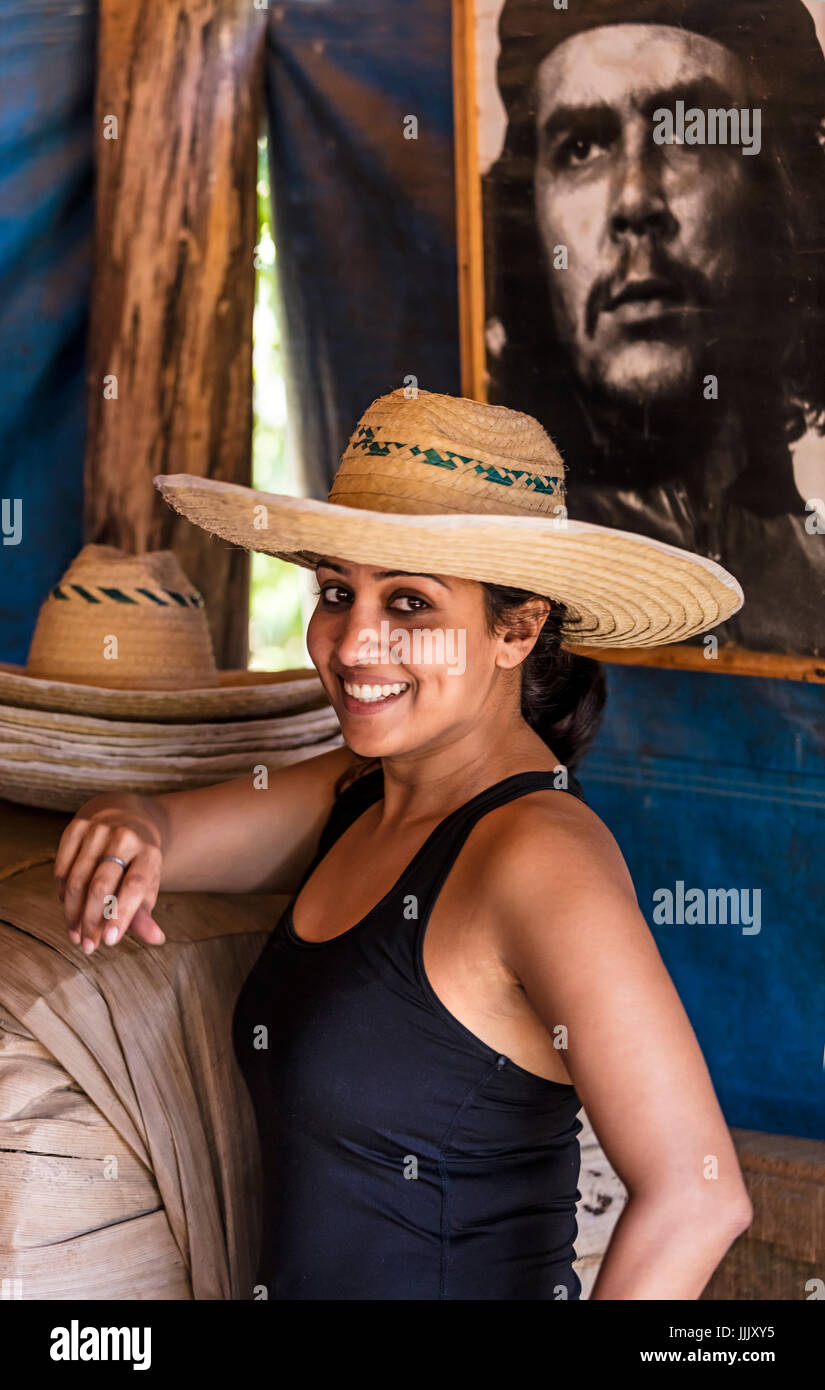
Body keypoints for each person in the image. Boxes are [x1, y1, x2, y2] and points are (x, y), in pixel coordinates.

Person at [52, 389, 751, 1300]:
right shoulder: (358, 795)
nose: (352, 642)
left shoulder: (539, 857)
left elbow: (699, 1199)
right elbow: (165, 829)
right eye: (338, 592)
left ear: (519, 627)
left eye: (410, 602)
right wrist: (130, 821)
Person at [484, 0, 825, 655]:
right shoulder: (490, 591)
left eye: (690, 134)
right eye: (580, 146)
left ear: (776, 202)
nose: (635, 200)